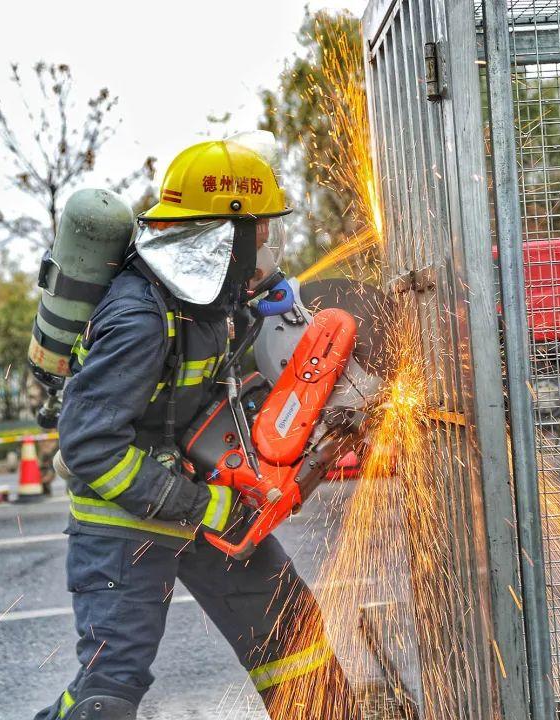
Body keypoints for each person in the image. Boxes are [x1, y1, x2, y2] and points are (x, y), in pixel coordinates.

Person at [35, 136, 358, 719]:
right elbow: (89, 447)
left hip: (202, 497)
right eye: (258, 235)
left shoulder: (210, 301)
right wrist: (203, 506)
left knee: (295, 645)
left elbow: (220, 398)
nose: (266, 247)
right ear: (222, 236)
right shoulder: (139, 316)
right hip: (126, 523)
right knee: (110, 688)